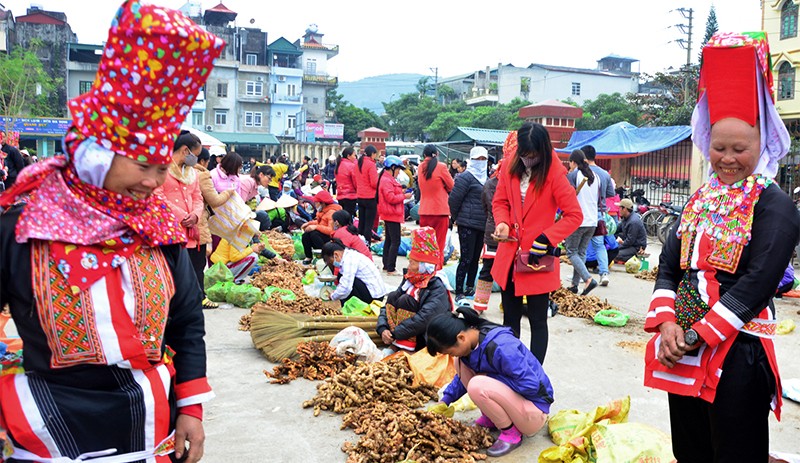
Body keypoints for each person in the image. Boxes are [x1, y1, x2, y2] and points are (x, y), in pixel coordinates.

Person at [0, 2, 223, 460]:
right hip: (46, 427)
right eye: (142, 166)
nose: (154, 182)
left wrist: (191, 407)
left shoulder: (156, 228)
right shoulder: (24, 226)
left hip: (149, 421)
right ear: (97, 153)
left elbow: (186, 321)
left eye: (161, 168)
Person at [644, 32, 800, 462]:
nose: (728, 158)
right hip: (682, 348)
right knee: (690, 451)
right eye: (719, 148)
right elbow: (669, 266)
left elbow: (759, 282)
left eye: (740, 149)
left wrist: (698, 333)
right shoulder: (700, 199)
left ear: (763, 145)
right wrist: (668, 325)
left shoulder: (775, 206)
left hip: (739, 353)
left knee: (735, 453)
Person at [491, 124, 582, 364]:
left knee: (538, 320)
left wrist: (547, 237)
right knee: (509, 319)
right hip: (510, 253)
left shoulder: (554, 174)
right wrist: (503, 223)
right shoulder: (510, 165)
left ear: (542, 151)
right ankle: (511, 367)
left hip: (537, 258)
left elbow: (574, 215)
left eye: (533, 155)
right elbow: (500, 201)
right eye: (525, 154)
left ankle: (534, 373)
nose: (528, 159)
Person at [426, 307, 553, 457]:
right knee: (460, 363)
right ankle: (492, 418)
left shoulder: (502, 346)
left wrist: (489, 378)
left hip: (532, 413)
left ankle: (510, 433)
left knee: (477, 385)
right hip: (514, 404)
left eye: (450, 351)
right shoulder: (474, 342)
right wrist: (445, 401)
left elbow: (531, 385)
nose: (451, 355)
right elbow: (462, 379)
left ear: (461, 338)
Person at [377, 227, 451, 351]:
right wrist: (383, 328)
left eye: (412, 263)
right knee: (393, 296)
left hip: (426, 337)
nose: (408, 266)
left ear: (423, 266)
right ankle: (396, 343)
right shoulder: (410, 279)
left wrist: (395, 333)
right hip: (400, 332)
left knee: (406, 300)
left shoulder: (437, 287)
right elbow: (388, 305)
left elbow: (424, 319)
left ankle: (404, 348)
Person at [155, 130, 206, 299]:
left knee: (190, 275)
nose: (196, 159)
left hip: (191, 233)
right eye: (195, 155)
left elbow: (198, 197)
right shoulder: (161, 170)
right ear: (185, 151)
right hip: (170, 232)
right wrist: (183, 216)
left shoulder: (192, 173)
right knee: (172, 276)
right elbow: (158, 198)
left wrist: (195, 215)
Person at [195, 147, 235, 309]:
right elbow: (214, 200)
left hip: (186, 223)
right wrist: (228, 193)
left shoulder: (185, 172)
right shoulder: (203, 174)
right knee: (198, 264)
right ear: (203, 161)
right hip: (197, 223)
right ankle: (200, 298)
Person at [449, 146, 489, 302]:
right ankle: (459, 290)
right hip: (467, 224)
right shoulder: (465, 177)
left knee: (475, 259)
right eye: (477, 159)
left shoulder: (487, 178)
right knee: (466, 258)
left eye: (483, 159)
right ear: (471, 160)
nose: (480, 162)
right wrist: (456, 218)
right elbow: (454, 200)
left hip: (482, 224)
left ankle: (470, 288)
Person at [563, 149, 599, 296]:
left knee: (571, 251)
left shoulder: (573, 176)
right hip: (592, 220)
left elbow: (567, 197)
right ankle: (574, 284)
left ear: (573, 162)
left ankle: (588, 279)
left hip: (578, 220)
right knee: (581, 252)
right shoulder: (595, 176)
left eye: (570, 163)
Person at [579, 145, 615, 287]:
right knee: (599, 245)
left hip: (583, 213)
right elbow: (611, 193)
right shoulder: (605, 174)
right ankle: (604, 273)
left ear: (583, 157)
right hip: (599, 214)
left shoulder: (580, 172)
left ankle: (582, 276)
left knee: (581, 246)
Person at [474, 157, 504, 312]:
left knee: (487, 270)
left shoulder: (489, 184)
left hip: (492, 231)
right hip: (508, 235)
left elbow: (486, 209)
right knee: (509, 272)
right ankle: (508, 306)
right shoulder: (516, 184)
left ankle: (479, 306)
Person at [417, 144, 454, 268]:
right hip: (440, 211)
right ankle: (437, 270)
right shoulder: (441, 167)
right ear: (437, 154)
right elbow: (451, 186)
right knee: (439, 245)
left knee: (426, 246)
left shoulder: (420, 167)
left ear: (424, 155)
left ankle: (425, 271)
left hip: (424, 211)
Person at [322, 240, 387, 305]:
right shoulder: (350, 254)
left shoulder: (349, 260)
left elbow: (346, 287)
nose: (333, 264)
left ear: (336, 254)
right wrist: (337, 292)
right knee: (341, 278)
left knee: (346, 282)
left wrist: (333, 296)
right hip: (374, 292)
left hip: (374, 296)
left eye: (331, 261)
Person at [377, 155, 409, 275]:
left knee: (389, 241)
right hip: (392, 214)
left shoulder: (386, 178)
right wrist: (404, 196)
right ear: (393, 167)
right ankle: (391, 268)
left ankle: (387, 265)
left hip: (389, 213)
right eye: (398, 169)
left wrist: (401, 192)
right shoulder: (386, 180)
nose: (399, 172)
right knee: (395, 241)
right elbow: (390, 198)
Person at [210, 237, 283, 283]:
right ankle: (234, 280)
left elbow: (255, 245)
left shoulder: (242, 235)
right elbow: (234, 257)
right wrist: (251, 249)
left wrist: (275, 257)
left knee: (254, 259)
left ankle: (237, 278)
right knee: (253, 257)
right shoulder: (236, 237)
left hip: (223, 265)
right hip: (221, 268)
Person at [300, 190, 342, 265]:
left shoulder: (331, 212)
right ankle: (309, 256)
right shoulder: (323, 211)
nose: (315, 205)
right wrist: (309, 224)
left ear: (322, 203)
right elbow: (320, 222)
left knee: (314, 234)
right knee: (306, 235)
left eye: (316, 203)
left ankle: (325, 256)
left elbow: (330, 230)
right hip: (323, 234)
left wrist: (316, 227)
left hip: (331, 238)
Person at [356, 145, 380, 244]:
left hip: (360, 196)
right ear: (372, 154)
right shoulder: (371, 164)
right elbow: (374, 183)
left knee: (361, 223)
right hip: (370, 197)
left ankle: (359, 244)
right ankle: (367, 244)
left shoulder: (359, 163)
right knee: (369, 224)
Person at [614, 198, 647, 264]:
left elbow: (630, 241)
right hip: (629, 242)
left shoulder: (633, 222)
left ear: (624, 209)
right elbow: (617, 229)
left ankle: (636, 256)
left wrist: (616, 247)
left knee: (614, 254)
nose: (618, 210)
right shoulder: (625, 218)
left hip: (636, 246)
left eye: (620, 208)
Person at [335, 146, 359, 217]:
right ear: (348, 156)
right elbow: (355, 181)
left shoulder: (339, 165)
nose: (355, 157)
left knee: (343, 217)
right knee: (348, 217)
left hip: (340, 194)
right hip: (350, 195)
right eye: (354, 155)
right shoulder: (351, 166)